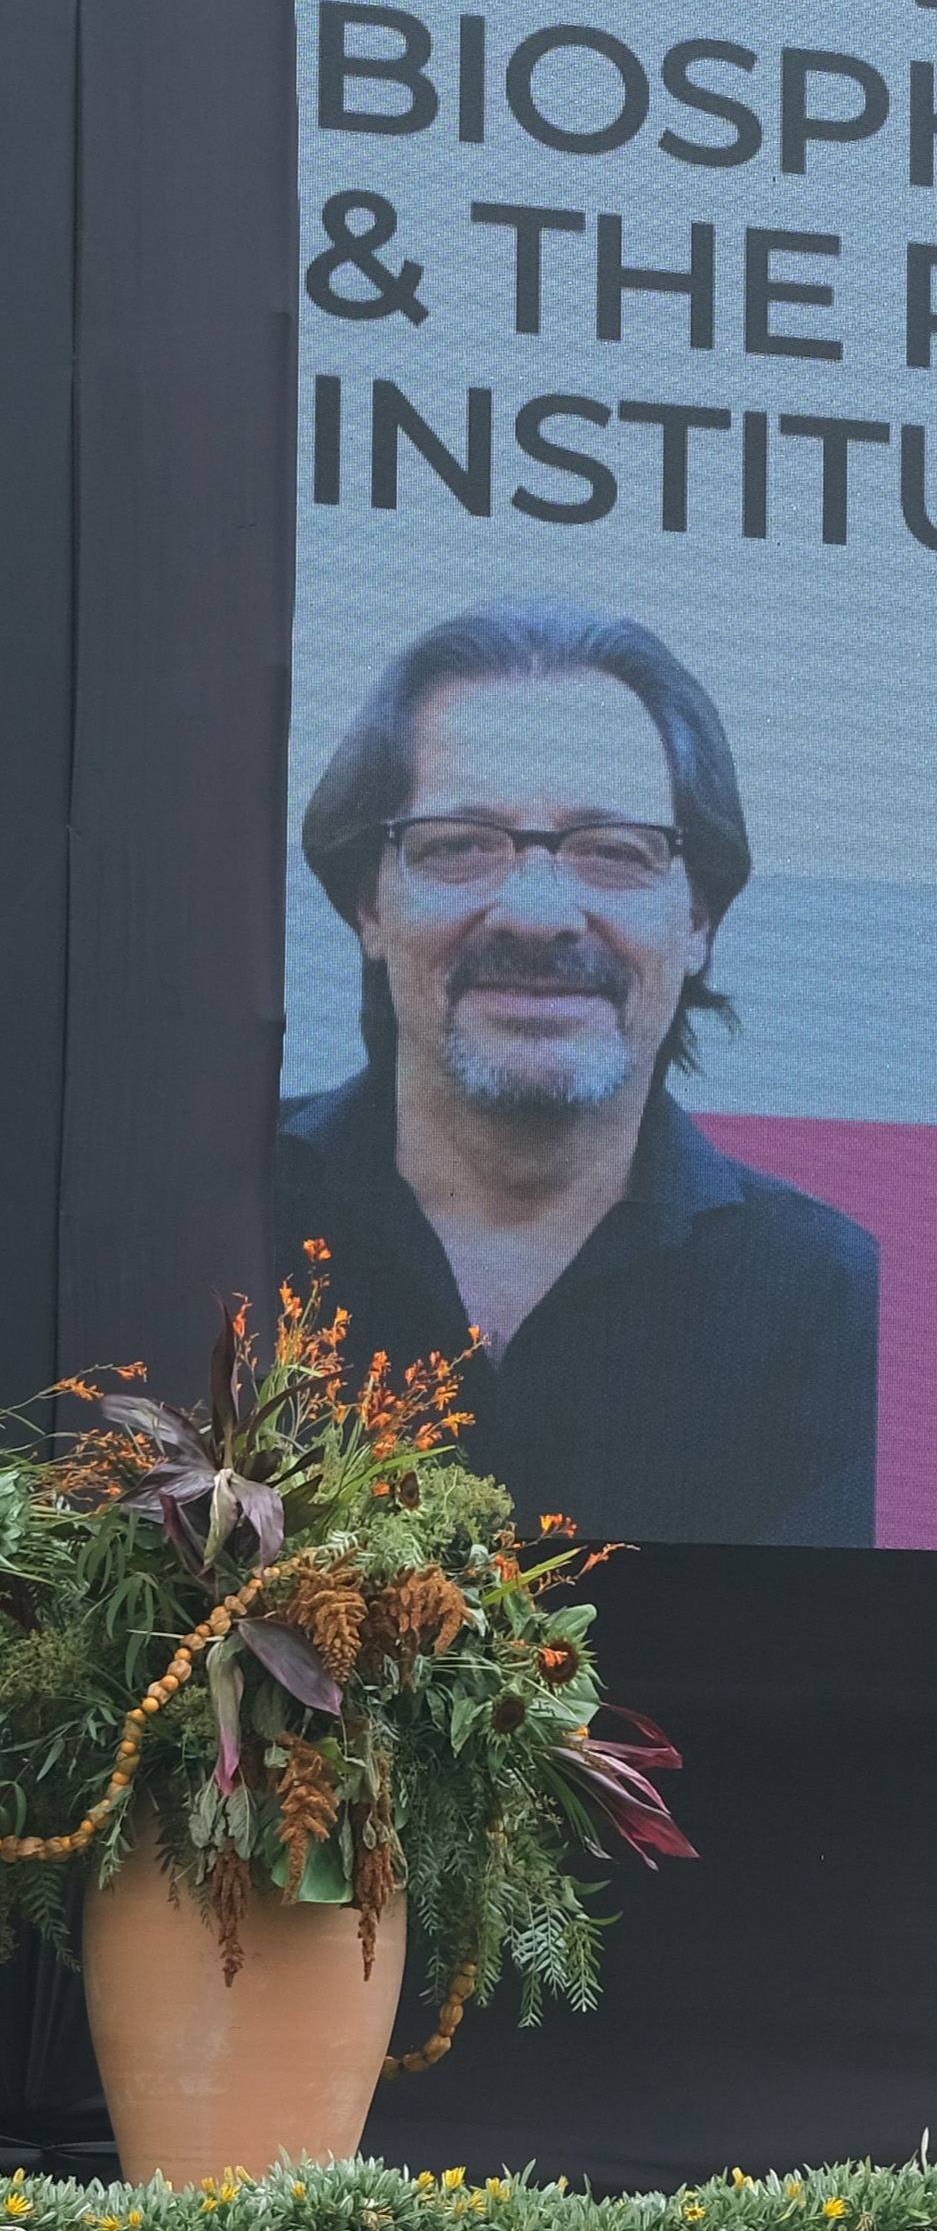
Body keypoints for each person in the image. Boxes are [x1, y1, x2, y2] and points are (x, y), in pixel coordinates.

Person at [273, 599, 877, 1545]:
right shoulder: (199, 1220)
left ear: (699, 922)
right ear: (369, 906)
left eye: (613, 853)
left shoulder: (830, 1302)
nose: (538, 914)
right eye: (460, 845)